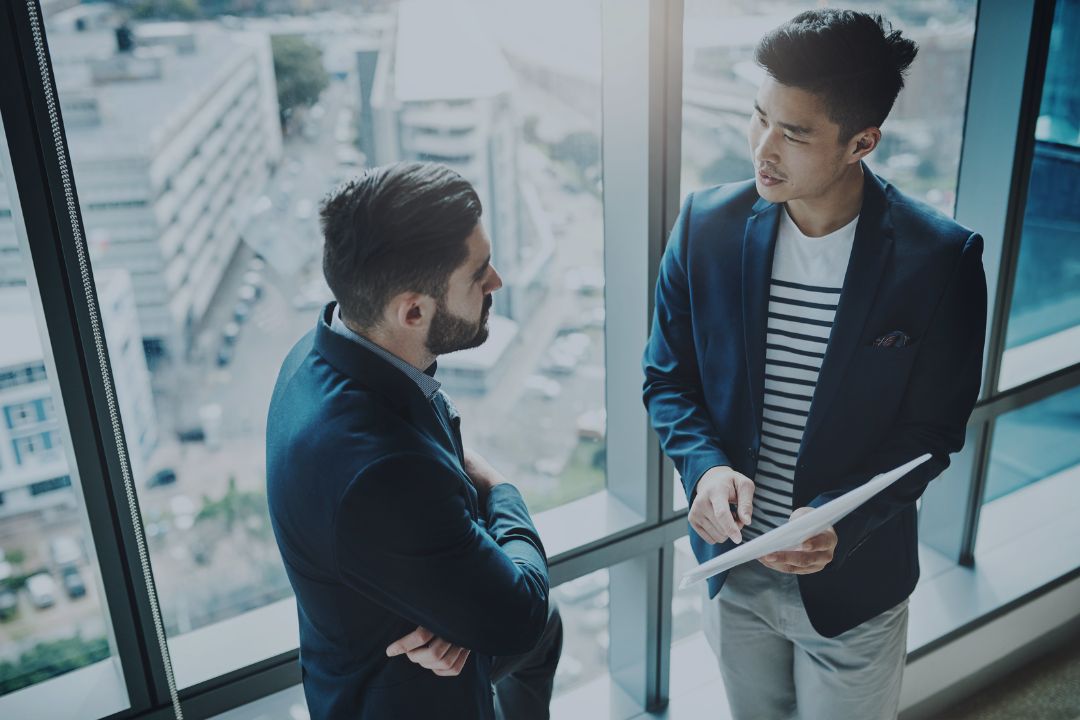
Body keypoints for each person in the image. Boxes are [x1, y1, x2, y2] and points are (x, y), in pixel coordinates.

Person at [643, 9, 986, 719]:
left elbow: (933, 432)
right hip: (732, 574)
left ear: (862, 142)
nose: (764, 149)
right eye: (759, 116)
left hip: (856, 584)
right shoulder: (704, 225)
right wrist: (705, 469)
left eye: (794, 133)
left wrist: (838, 521)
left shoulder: (940, 261)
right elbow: (667, 379)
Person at [267, 162, 562, 720]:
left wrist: (459, 612)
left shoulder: (315, 352)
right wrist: (501, 488)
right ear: (413, 310)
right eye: (478, 274)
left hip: (384, 637)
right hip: (415, 703)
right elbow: (520, 611)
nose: (497, 281)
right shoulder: (382, 468)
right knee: (541, 625)